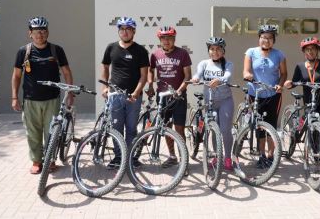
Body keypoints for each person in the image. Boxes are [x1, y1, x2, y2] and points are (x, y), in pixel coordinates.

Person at [11, 16, 74, 174]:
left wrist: (70, 92)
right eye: (36, 32)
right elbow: (17, 76)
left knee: (52, 132)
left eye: (43, 31)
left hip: (52, 99)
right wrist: (14, 97)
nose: (40, 34)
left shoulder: (56, 50)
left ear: (48, 32)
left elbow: (66, 72)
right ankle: (37, 161)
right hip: (31, 99)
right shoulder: (24, 51)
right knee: (33, 132)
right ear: (30, 33)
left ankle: (51, 160)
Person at [101, 16, 149, 168]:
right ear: (119, 31)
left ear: (133, 31)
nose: (125, 32)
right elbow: (105, 68)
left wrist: (136, 92)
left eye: (128, 29)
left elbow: (144, 76)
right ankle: (118, 157)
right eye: (122, 29)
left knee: (131, 128)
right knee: (116, 128)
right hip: (115, 95)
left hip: (133, 97)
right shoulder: (111, 47)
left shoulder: (141, 51)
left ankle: (130, 157)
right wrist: (105, 87)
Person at [146, 26, 192, 173]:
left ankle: (184, 161)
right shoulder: (155, 55)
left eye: (169, 38)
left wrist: (179, 91)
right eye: (163, 38)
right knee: (165, 128)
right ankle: (172, 156)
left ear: (174, 39)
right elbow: (150, 71)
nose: (166, 41)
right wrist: (151, 86)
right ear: (160, 40)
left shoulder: (182, 53)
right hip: (162, 97)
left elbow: (188, 77)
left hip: (178, 97)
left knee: (179, 129)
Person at [243, 24, 287, 168]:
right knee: (259, 127)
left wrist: (280, 84)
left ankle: (270, 155)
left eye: (269, 38)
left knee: (271, 126)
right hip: (255, 94)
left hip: (273, 94)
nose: (266, 40)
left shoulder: (279, 54)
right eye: (263, 37)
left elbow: (284, 73)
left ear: (273, 40)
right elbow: (246, 71)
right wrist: (248, 75)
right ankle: (261, 155)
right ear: (259, 38)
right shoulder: (250, 52)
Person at [191, 37, 235, 171]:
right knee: (214, 129)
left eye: (218, 49)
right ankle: (217, 156)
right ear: (208, 50)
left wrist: (219, 79)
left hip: (225, 100)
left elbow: (227, 76)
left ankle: (228, 157)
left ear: (223, 51)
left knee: (225, 130)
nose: (215, 52)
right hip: (210, 102)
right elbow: (198, 73)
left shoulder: (228, 64)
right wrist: (196, 78)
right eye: (212, 49)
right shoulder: (204, 63)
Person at [284, 36, 320, 127]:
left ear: (317, 50)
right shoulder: (300, 66)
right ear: (304, 51)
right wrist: (289, 84)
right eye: (307, 49)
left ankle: (319, 141)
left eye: (313, 48)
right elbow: (294, 82)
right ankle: (297, 130)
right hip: (309, 101)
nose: (310, 51)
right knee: (308, 124)